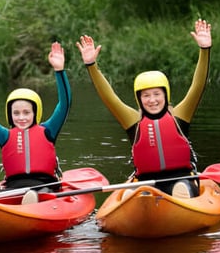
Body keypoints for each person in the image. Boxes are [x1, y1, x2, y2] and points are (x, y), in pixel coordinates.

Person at [76, 19, 212, 198]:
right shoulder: (134, 122)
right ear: (139, 99)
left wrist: (204, 50)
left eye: (157, 94)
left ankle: (176, 207)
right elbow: (110, 98)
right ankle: (144, 208)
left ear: (165, 95)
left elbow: (197, 86)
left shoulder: (180, 117)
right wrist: (91, 65)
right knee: (133, 196)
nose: (152, 100)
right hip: (145, 183)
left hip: (181, 180)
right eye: (146, 95)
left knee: (180, 190)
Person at [0, 42, 71, 204]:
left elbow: (64, 104)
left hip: (44, 187)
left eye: (26, 112)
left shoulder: (48, 131)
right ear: (9, 115)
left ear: (35, 113)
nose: (21, 117)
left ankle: (32, 201)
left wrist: (59, 71)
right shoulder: (4, 136)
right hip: (12, 189)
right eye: (16, 113)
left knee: (37, 194)